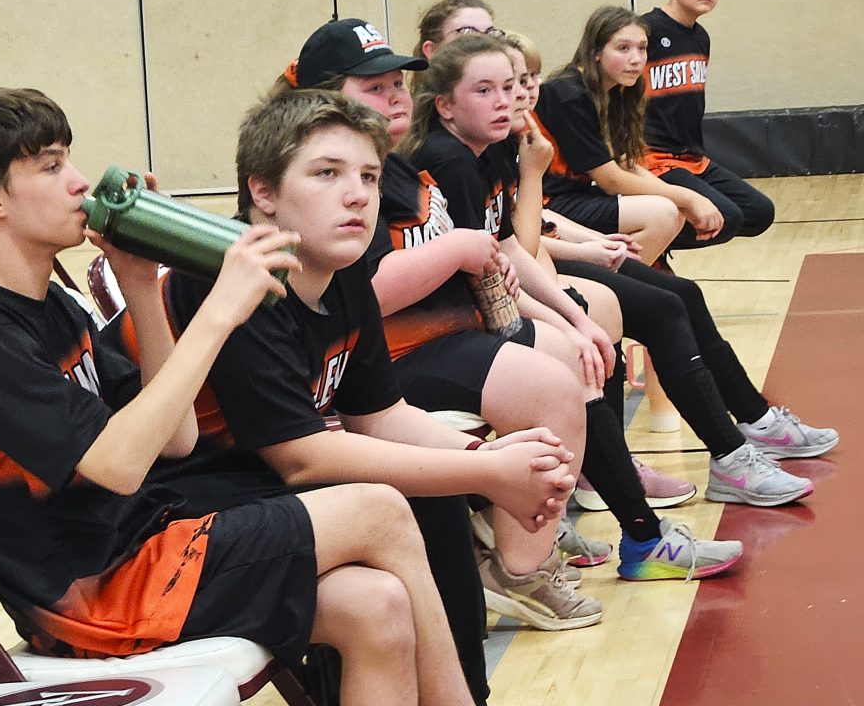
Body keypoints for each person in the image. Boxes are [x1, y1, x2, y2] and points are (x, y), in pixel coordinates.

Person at [0, 87, 485, 706]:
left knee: (377, 606)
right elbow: (120, 467)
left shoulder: (52, 305)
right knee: (381, 510)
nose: (79, 182)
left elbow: (175, 438)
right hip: (96, 596)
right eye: (51, 166)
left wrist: (138, 283)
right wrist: (218, 312)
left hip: (147, 549)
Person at [150, 88, 586, 704]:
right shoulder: (228, 278)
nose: (357, 194)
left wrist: (501, 461)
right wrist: (486, 471)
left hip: (260, 492)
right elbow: (300, 458)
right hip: (186, 513)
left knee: (427, 494)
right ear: (263, 193)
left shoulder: (345, 266)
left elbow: (379, 415)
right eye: (326, 174)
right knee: (410, 501)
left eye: (369, 175)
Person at [272, 17, 607, 631]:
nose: (397, 95)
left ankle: (569, 514)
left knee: (579, 336)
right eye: (374, 85)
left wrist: (488, 462)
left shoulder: (396, 176)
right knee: (548, 385)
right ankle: (538, 558)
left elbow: (499, 246)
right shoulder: (278, 262)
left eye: (399, 82)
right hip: (382, 368)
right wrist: (484, 466)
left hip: (404, 355)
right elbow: (302, 451)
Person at [399, 32, 743, 580]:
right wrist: (565, 328)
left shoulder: (489, 151)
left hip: (466, 320)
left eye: (511, 86)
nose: (506, 99)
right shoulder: (449, 160)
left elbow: (511, 247)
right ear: (444, 104)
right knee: (571, 367)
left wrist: (576, 319)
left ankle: (624, 518)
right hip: (442, 332)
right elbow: (489, 278)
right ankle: (631, 535)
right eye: (485, 89)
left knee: (595, 329)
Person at [499, 30, 835, 505]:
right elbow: (518, 240)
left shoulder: (516, 132)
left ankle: (753, 425)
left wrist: (594, 245)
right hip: (522, 281)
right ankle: (623, 465)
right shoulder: (507, 135)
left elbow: (530, 227)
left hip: (546, 254)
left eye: (526, 79)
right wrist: (588, 247)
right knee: (650, 306)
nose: (524, 92)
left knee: (682, 294)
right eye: (505, 84)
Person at [533, 5, 728, 263]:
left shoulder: (617, 91)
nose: (636, 59)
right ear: (596, 53)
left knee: (672, 210)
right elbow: (610, 180)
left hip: (574, 195)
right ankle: (622, 285)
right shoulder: (567, 95)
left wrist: (678, 197)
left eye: (642, 48)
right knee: (664, 213)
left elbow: (626, 162)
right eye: (623, 48)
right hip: (548, 203)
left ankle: (630, 278)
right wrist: (689, 197)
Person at [642, 0, 775, 250]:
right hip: (653, 158)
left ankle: (657, 239)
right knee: (726, 218)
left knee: (759, 213)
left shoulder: (701, 37)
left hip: (693, 158)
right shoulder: (645, 31)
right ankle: (647, 246)